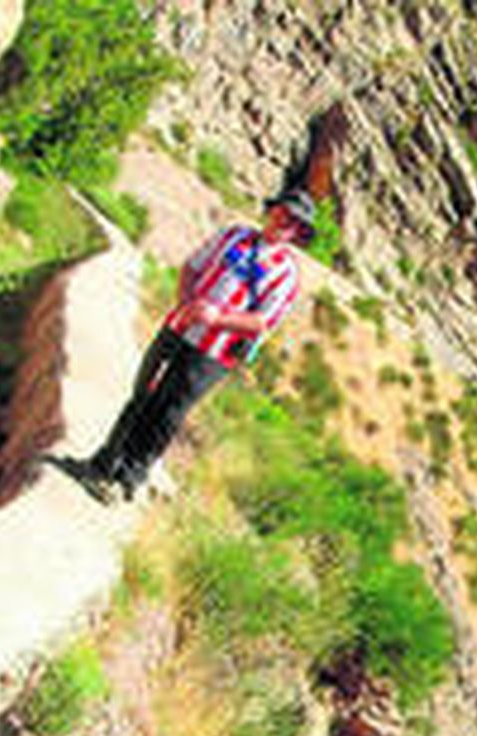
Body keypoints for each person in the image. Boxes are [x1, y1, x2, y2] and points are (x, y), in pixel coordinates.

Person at [74, 190, 313, 502]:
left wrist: (217, 318)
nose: (284, 222)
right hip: (179, 327)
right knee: (143, 393)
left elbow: (262, 322)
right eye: (283, 213)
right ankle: (103, 463)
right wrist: (186, 302)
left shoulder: (287, 275)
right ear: (272, 211)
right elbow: (192, 266)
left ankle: (129, 477)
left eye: (293, 222)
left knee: (169, 410)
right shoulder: (234, 235)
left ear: (298, 233)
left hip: (214, 352)